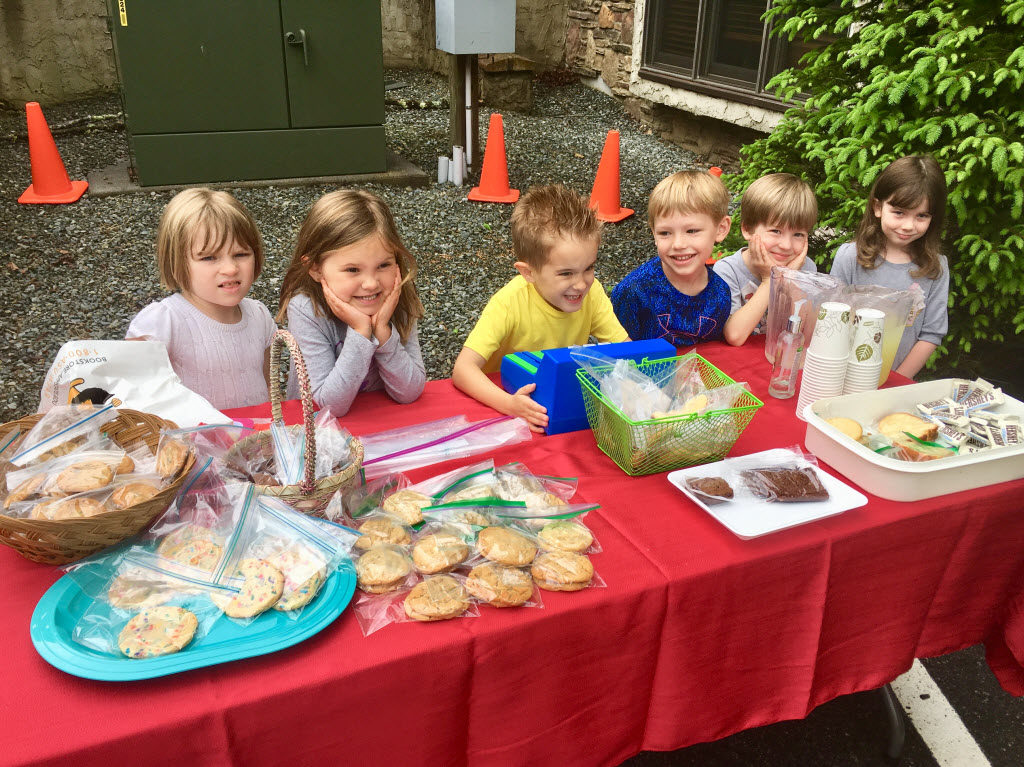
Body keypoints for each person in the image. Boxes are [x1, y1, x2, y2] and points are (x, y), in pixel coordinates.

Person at [452, 184, 628, 432]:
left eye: (589, 268)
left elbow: (626, 349)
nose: (581, 284)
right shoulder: (509, 303)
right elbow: (463, 369)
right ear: (528, 273)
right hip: (510, 402)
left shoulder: (593, 291)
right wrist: (510, 404)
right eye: (566, 273)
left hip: (559, 401)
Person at [277, 189, 425, 416]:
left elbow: (410, 391)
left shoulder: (396, 299)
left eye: (383, 265)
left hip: (384, 428)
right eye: (353, 269)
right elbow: (330, 406)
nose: (371, 284)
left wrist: (383, 332)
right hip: (319, 438)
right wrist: (361, 331)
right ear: (315, 268)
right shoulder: (307, 309)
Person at [126, 188, 276, 410]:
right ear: (176, 262)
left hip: (255, 440)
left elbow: (269, 390)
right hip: (193, 442)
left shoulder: (259, 315)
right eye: (209, 257)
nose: (230, 268)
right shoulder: (163, 322)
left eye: (241, 254)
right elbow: (131, 393)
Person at [830, 155, 949, 379]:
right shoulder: (849, 257)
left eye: (921, 216)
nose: (908, 226)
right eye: (899, 212)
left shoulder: (936, 268)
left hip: (896, 382)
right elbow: (832, 322)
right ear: (878, 207)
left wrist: (895, 381)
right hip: (842, 376)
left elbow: (931, 334)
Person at [611, 170, 732, 346]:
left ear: (721, 229)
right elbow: (617, 357)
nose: (678, 244)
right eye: (665, 233)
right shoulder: (633, 292)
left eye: (692, 231)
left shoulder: (720, 294)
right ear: (654, 233)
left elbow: (713, 354)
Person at [713, 173, 818, 345]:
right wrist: (770, 280)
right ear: (747, 229)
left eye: (798, 234)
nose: (786, 245)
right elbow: (734, 336)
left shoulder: (805, 268)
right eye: (776, 231)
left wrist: (790, 277)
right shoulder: (727, 270)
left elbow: (806, 333)